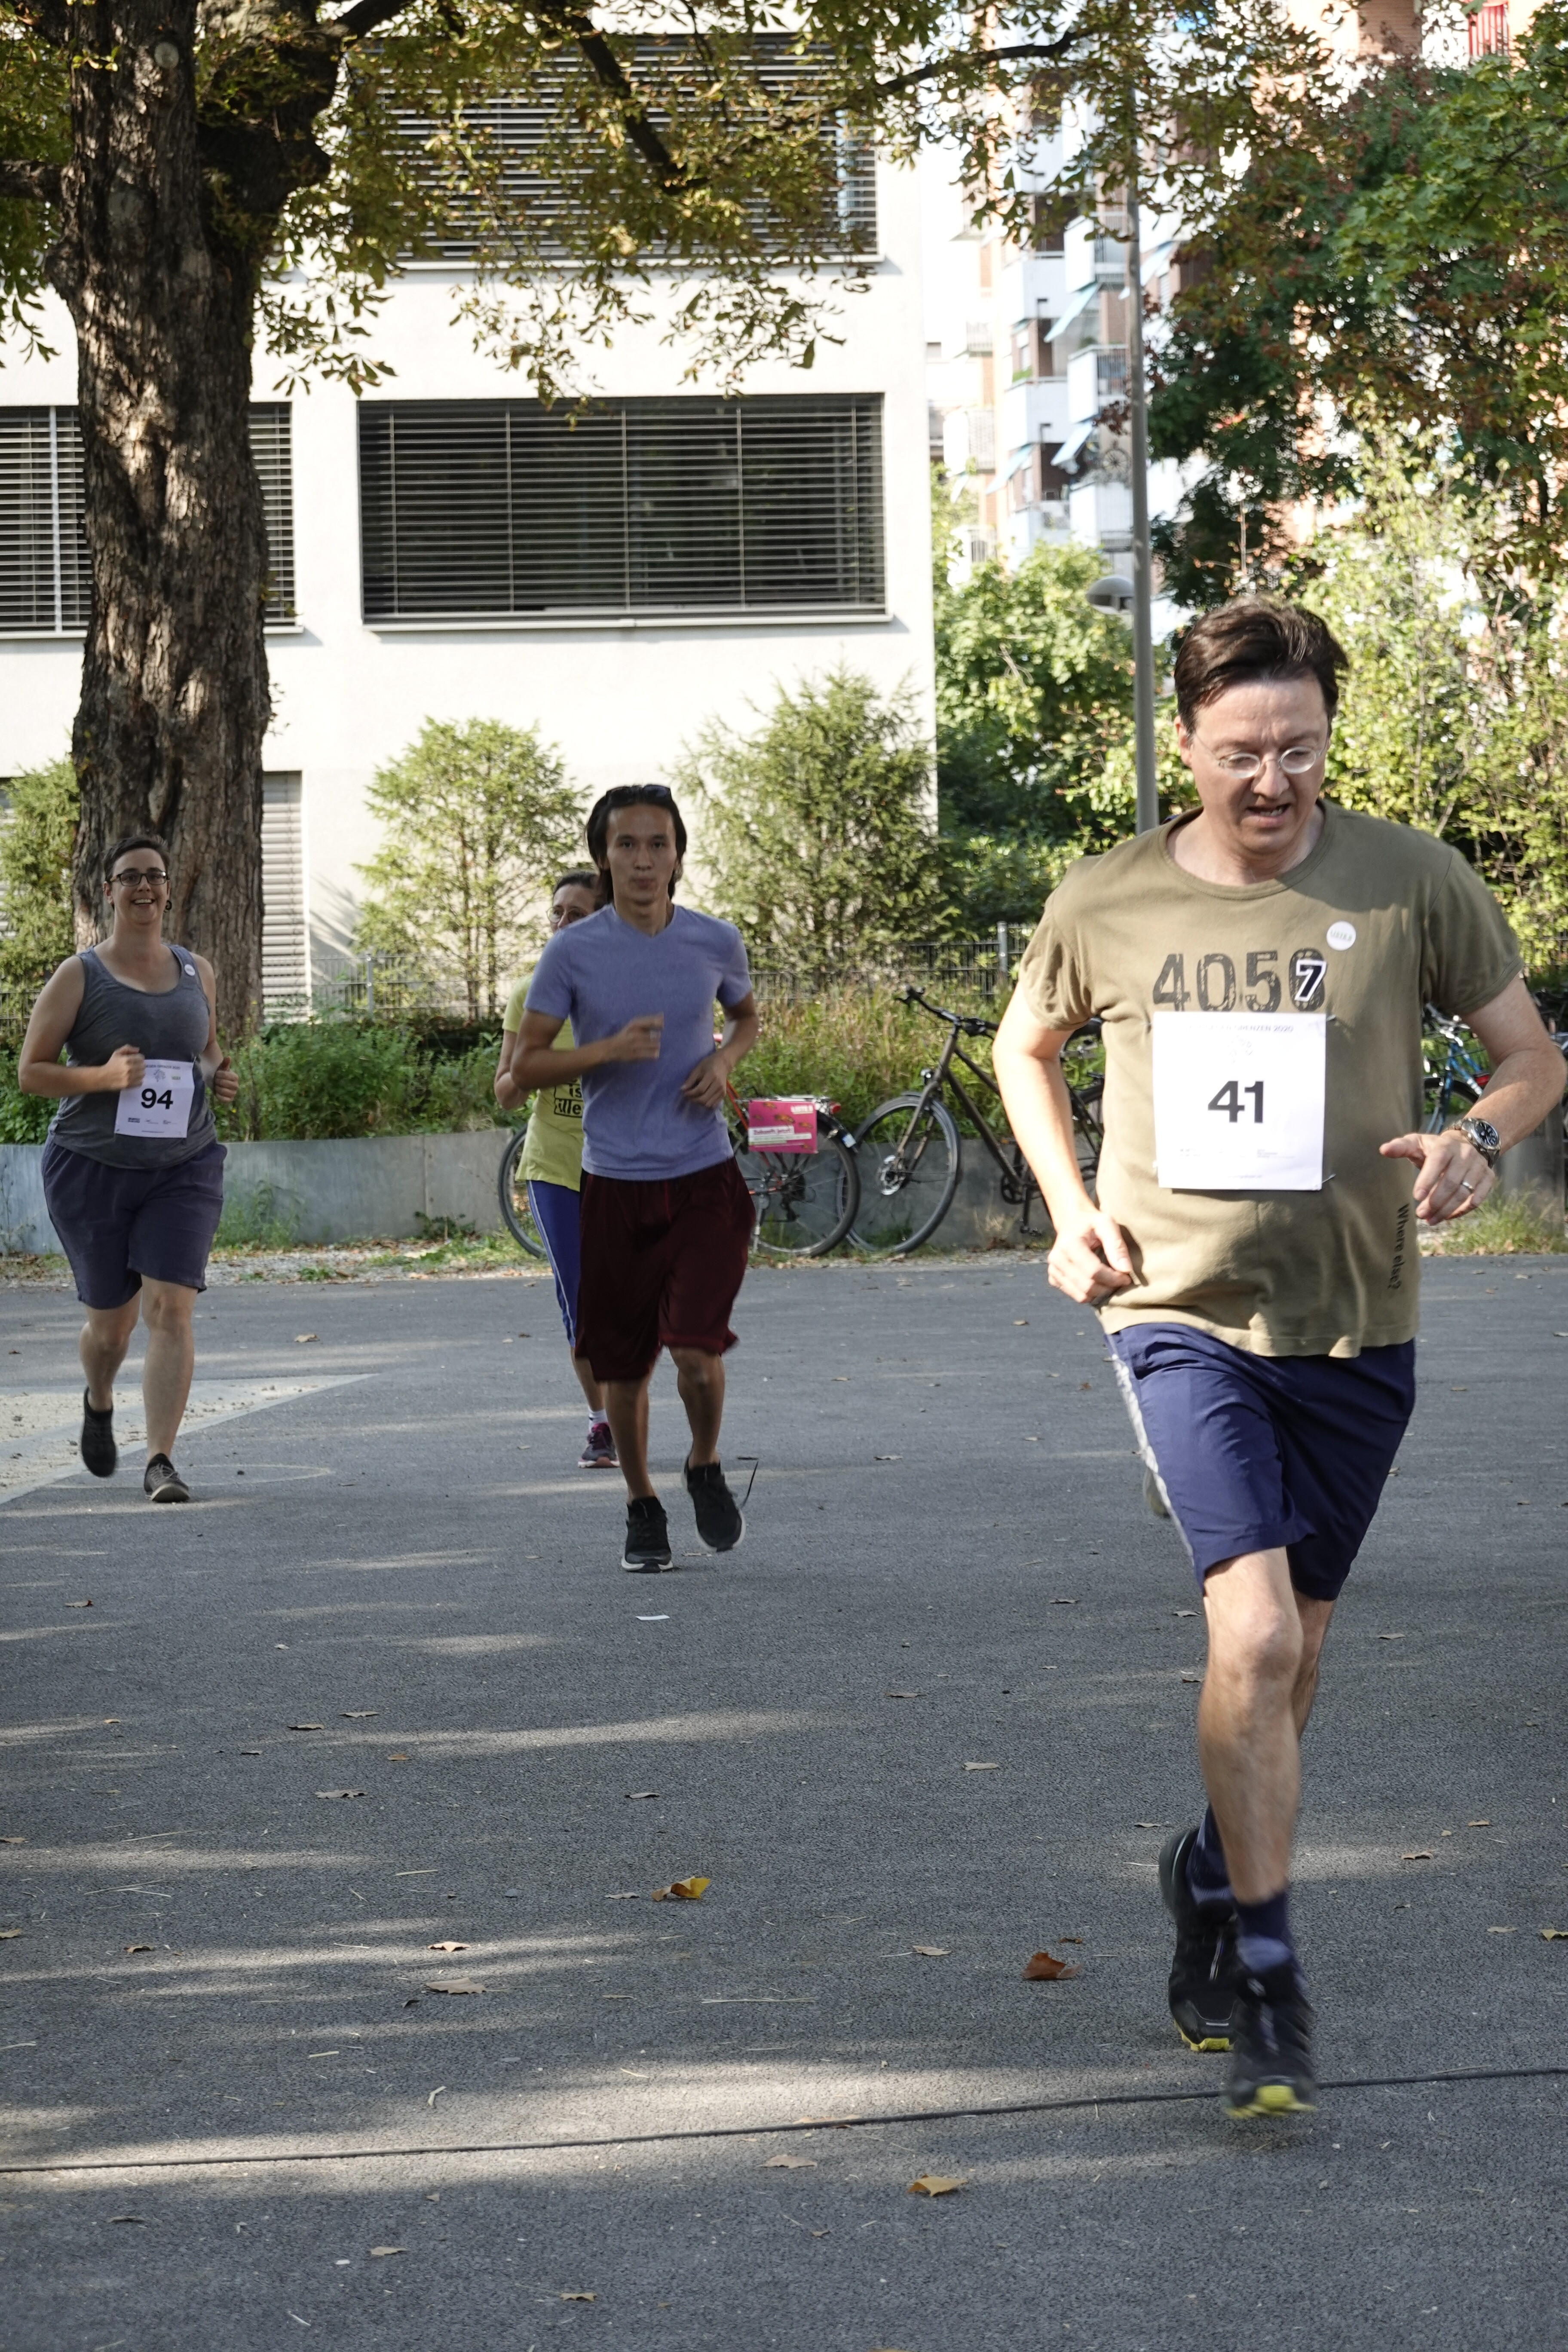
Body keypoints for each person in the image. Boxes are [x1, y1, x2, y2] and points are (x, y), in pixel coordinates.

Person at [992, 598, 1565, 2118]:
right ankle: (1262, 1961)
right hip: (1175, 1313)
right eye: (1239, 753)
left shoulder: (1402, 881)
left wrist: (1471, 1140)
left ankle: (1202, 1864)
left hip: (1357, 1323)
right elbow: (1020, 1047)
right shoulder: (1105, 899)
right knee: (1245, 1637)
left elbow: (1529, 1056)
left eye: (1297, 752)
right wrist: (1066, 1211)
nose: (1270, 782)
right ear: (1182, 742)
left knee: (1292, 1663)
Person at [511, 785, 760, 1572]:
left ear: (679, 855)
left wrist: (722, 1060)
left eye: (658, 844)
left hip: (703, 1177)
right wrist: (604, 1053)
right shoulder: (572, 953)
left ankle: (705, 1462)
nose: (644, 860)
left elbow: (746, 1018)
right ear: (605, 857)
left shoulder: (715, 942)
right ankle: (641, 1503)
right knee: (622, 1364)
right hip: (611, 1186)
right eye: (628, 845)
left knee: (694, 1350)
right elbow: (523, 1069)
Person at [18, 831, 242, 1503]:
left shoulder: (198, 970)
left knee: (171, 1308)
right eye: (129, 877)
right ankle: (99, 1393)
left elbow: (202, 1053)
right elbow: (31, 1074)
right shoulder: (78, 975)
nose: (144, 886)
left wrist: (219, 1076)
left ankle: (161, 1460)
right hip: (92, 1167)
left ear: (169, 888)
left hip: (184, 1163)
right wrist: (104, 1077)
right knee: (110, 1326)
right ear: (108, 891)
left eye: (155, 875)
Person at [495, 868, 618, 1469]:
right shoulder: (530, 994)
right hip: (553, 1166)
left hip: (620, 1165)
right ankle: (602, 1424)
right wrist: (530, 1068)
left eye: (577, 914)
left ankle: (626, 1408)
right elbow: (505, 1092)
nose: (562, 924)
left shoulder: (626, 992)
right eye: (557, 914)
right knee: (580, 1300)